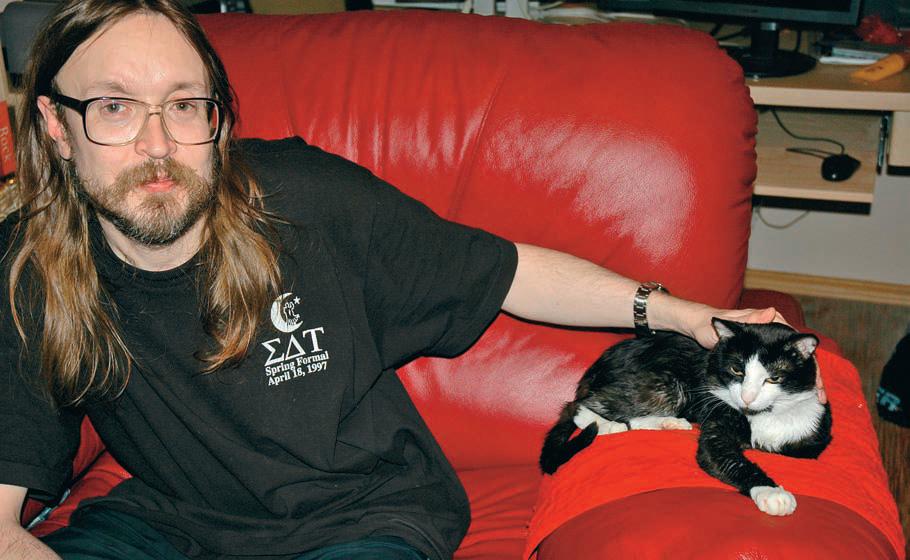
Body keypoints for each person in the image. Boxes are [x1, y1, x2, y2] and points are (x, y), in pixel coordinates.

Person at [0, 1, 819, 559]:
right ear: (55, 126)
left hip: (362, 514)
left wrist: (681, 315)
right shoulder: (26, 270)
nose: (157, 144)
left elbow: (506, 270)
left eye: (185, 105)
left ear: (216, 119)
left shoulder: (303, 199)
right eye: (114, 107)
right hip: (168, 521)